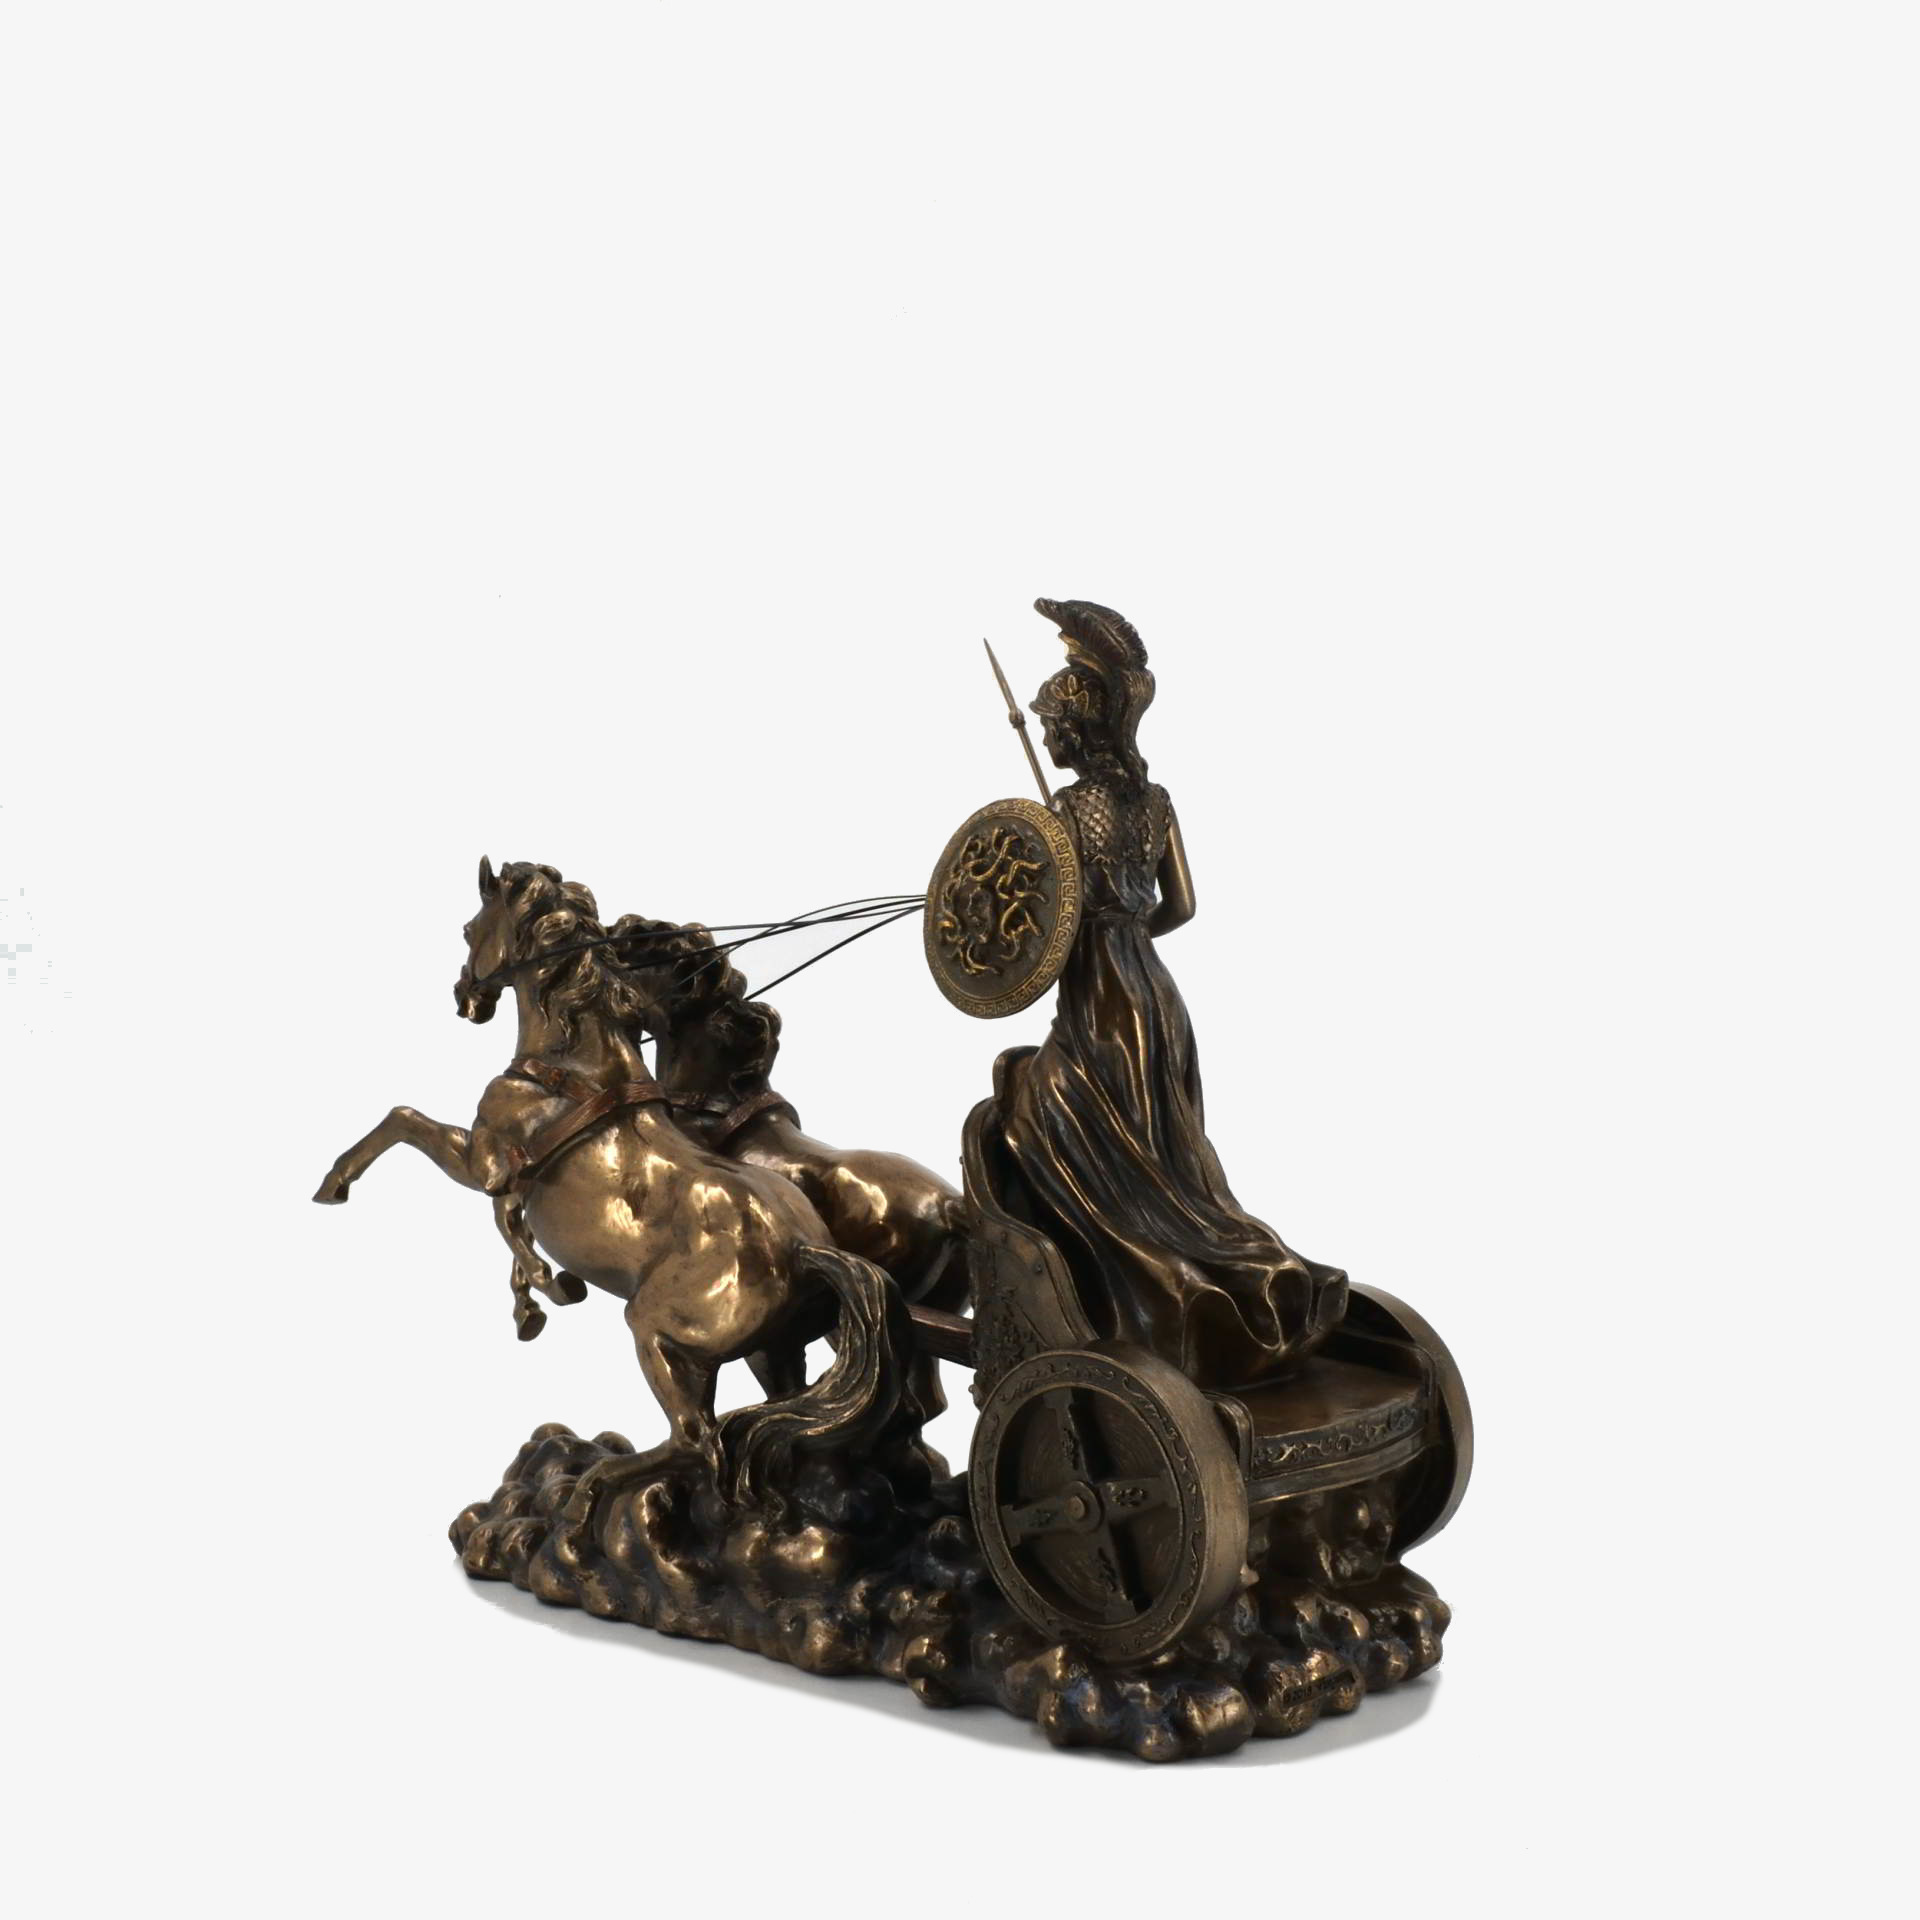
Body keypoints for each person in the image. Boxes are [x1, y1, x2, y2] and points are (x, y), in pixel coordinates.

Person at [989, 598, 1348, 1387]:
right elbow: (1180, 906)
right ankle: (1216, 1271)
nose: (1046, 737)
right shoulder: (1155, 805)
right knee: (1168, 1153)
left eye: (1054, 724)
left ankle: (1160, 1294)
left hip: (1100, 996)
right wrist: (1126, 928)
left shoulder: (1066, 809)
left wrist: (1066, 926)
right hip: (1153, 994)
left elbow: (1047, 916)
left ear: (1080, 730)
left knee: (1040, 1115)